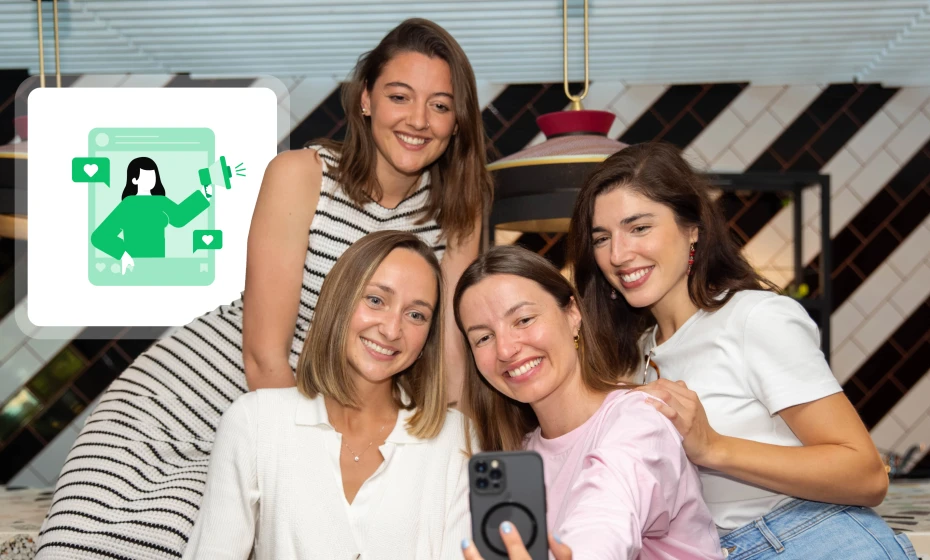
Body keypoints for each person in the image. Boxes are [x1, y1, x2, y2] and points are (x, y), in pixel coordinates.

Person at [38, 18, 492, 559]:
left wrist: (464, 459)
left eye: (440, 105)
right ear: (366, 99)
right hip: (185, 402)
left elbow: (449, 361)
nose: (419, 120)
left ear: (457, 121)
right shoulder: (302, 174)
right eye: (400, 96)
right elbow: (263, 356)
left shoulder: (459, 209)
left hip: (296, 421)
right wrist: (308, 469)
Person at [567, 141, 918, 560]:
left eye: (639, 228)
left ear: (692, 229)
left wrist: (713, 446)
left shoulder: (755, 318)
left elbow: (866, 474)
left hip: (815, 539)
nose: (618, 254)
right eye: (602, 238)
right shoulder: (638, 356)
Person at [181, 231, 470, 559]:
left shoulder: (456, 438)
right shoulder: (255, 421)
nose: (392, 330)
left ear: (428, 337)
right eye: (376, 300)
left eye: (416, 315)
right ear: (339, 301)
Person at [454, 245, 722, 560]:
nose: (505, 349)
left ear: (572, 314)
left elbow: (606, 516)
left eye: (524, 319)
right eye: (483, 338)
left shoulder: (640, 419)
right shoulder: (517, 458)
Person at [91, 156, 210, 274]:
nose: (151, 180)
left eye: (152, 176)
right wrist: (122, 254)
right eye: (146, 177)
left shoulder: (160, 201)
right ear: (134, 180)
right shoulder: (128, 204)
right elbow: (100, 236)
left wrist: (204, 195)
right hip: (133, 265)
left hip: (158, 264)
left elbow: (179, 217)